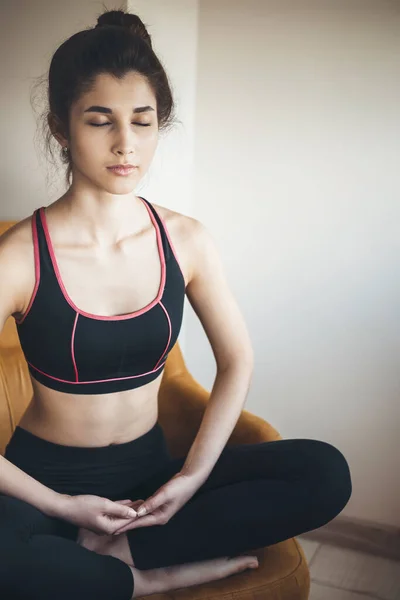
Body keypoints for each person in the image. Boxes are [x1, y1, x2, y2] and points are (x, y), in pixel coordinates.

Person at [0, 8, 352, 600]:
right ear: (62, 128)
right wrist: (62, 504)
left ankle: (122, 549)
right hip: (45, 482)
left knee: (324, 472)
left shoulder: (185, 240)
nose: (125, 144)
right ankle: (143, 579)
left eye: (143, 121)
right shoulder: (18, 257)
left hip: (151, 472)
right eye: (100, 121)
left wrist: (190, 478)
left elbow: (237, 360)